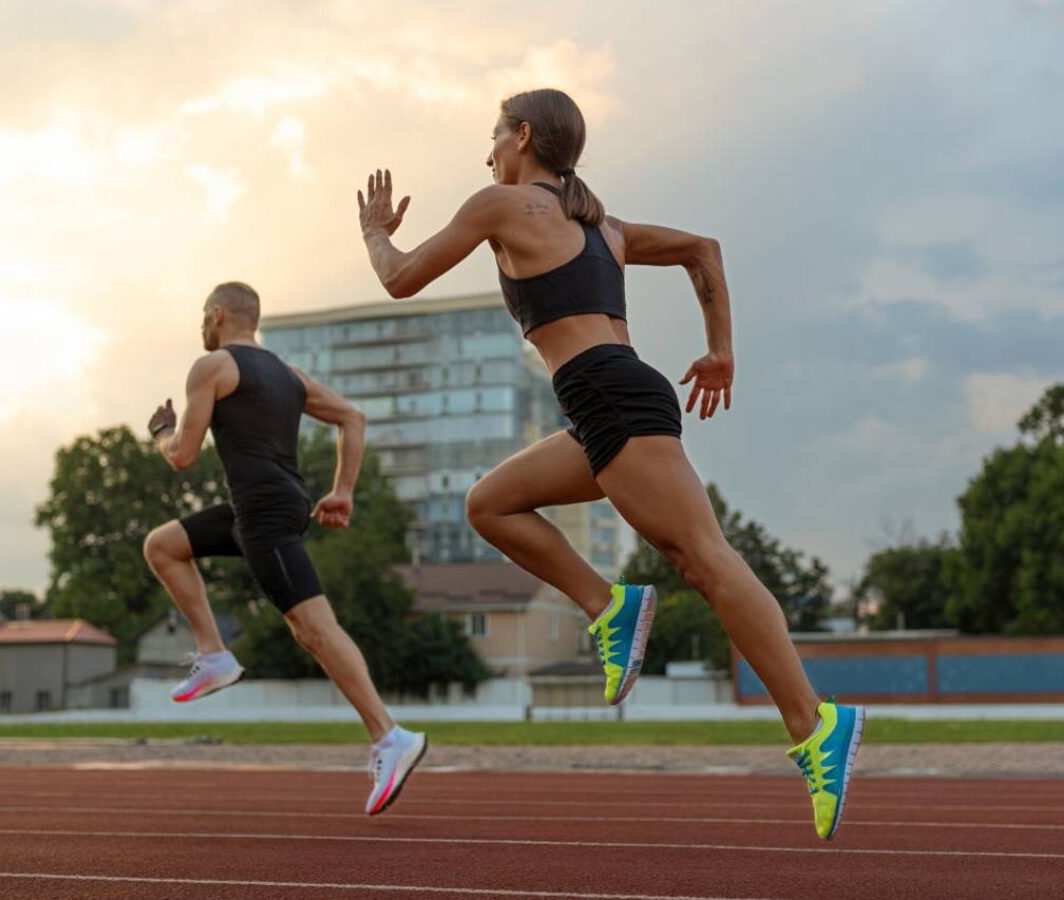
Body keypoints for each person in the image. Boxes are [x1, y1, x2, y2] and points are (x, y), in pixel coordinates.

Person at [355, 88, 864, 840]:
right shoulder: (605, 227)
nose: (487, 153)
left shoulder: (501, 205)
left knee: (706, 560)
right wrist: (720, 347)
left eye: (493, 137)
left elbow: (398, 278)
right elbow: (704, 250)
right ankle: (608, 606)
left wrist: (373, 232)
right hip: (606, 402)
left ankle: (815, 724)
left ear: (523, 137)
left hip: (609, 396)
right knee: (489, 504)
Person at [142, 281, 426, 816]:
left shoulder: (212, 368)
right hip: (261, 509)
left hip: (265, 515)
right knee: (162, 546)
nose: (202, 325)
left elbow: (181, 455)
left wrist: (161, 430)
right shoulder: (288, 375)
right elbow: (353, 418)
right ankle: (214, 654)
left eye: (204, 315)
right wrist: (342, 491)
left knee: (314, 629)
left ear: (220, 314)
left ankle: (391, 737)